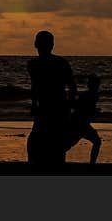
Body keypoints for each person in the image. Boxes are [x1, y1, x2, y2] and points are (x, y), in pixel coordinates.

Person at [26, 30, 76, 167]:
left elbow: (34, 87)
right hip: (56, 108)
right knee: (54, 146)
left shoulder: (34, 64)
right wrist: (70, 106)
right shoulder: (60, 62)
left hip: (51, 108)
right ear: (52, 45)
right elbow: (72, 86)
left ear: (36, 44)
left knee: (39, 144)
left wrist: (34, 104)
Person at [65, 74, 102, 165]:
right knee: (67, 145)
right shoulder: (90, 95)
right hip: (79, 123)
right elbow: (80, 107)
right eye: (96, 84)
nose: (97, 86)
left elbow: (78, 106)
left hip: (80, 123)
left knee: (67, 145)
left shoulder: (90, 95)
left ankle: (92, 163)